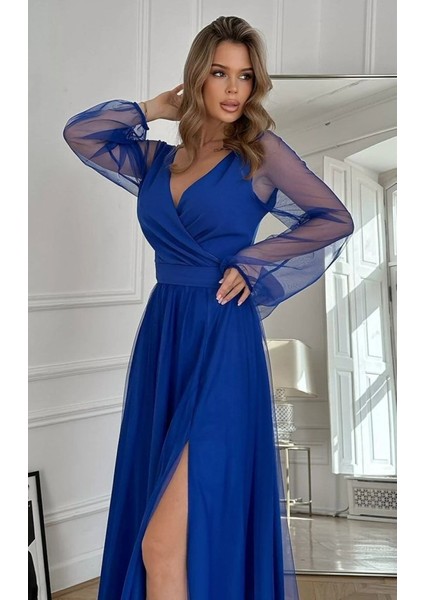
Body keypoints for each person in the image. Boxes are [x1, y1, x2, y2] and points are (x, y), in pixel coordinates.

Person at [63, 15, 354, 600]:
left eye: (245, 76)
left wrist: (253, 260)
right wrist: (154, 107)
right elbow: (83, 135)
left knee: (162, 544)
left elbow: (334, 218)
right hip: (165, 334)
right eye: (220, 73)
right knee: (165, 542)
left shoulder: (261, 153)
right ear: (196, 76)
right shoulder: (154, 160)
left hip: (222, 337)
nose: (233, 89)